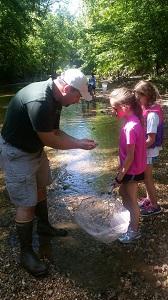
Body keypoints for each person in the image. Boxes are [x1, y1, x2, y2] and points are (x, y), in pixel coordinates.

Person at [0, 68, 97, 277]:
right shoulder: (40, 100)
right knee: (26, 204)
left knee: (41, 187)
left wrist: (77, 140)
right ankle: (26, 253)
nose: (79, 100)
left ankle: (44, 227)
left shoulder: (57, 98)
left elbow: (54, 131)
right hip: (17, 152)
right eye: (78, 95)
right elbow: (50, 140)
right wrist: (78, 145)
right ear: (67, 88)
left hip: (34, 148)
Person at [110, 87, 146, 243]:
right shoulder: (131, 122)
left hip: (131, 171)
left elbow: (130, 156)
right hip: (130, 169)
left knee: (131, 199)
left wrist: (120, 176)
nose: (112, 111)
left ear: (125, 107)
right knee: (123, 193)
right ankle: (131, 217)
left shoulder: (130, 128)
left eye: (114, 108)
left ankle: (134, 230)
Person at [134, 80, 163, 216]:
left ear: (148, 96)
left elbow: (151, 140)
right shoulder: (146, 110)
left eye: (139, 96)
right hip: (147, 150)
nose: (137, 99)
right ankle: (149, 199)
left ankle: (155, 206)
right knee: (146, 177)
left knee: (147, 178)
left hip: (149, 151)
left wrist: (137, 150)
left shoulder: (152, 115)